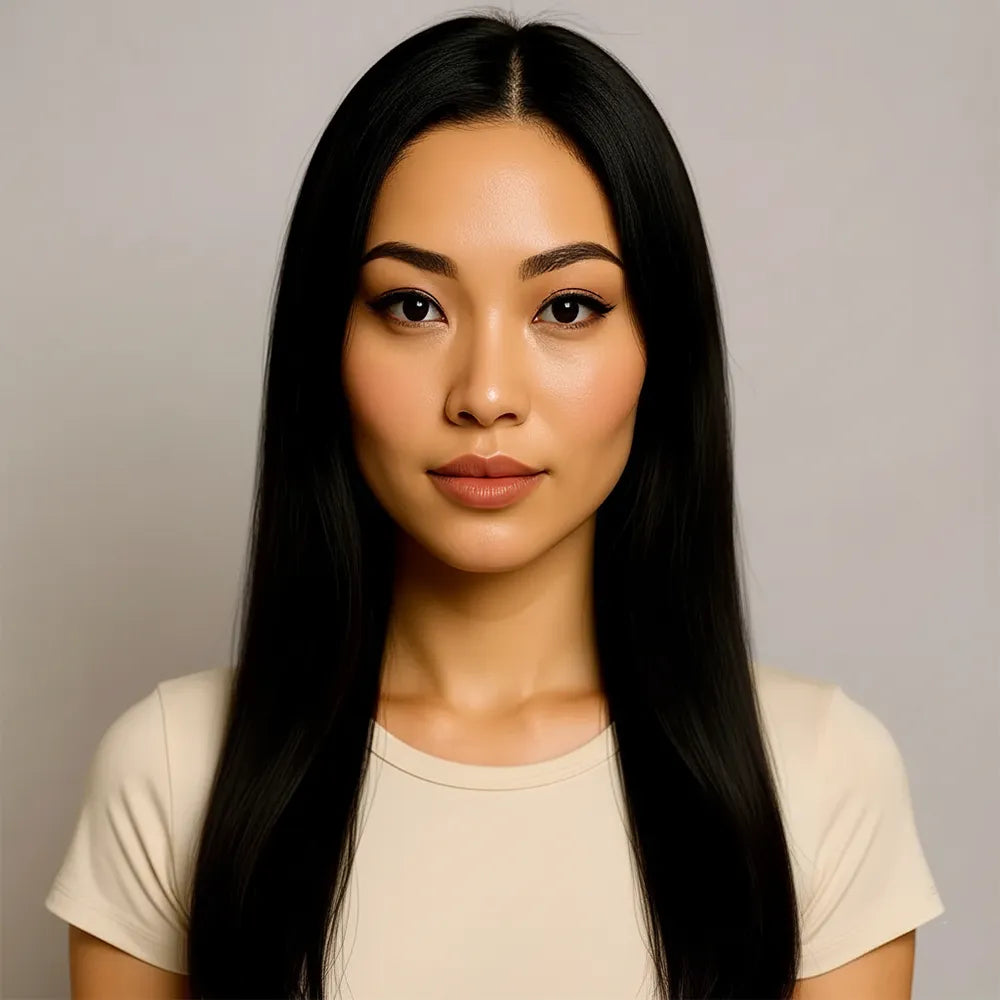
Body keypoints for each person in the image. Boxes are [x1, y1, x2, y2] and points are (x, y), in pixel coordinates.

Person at [44, 10, 945, 999]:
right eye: (412, 305)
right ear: (326, 350)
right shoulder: (176, 773)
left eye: (566, 308)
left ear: (660, 352)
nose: (483, 392)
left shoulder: (815, 778)